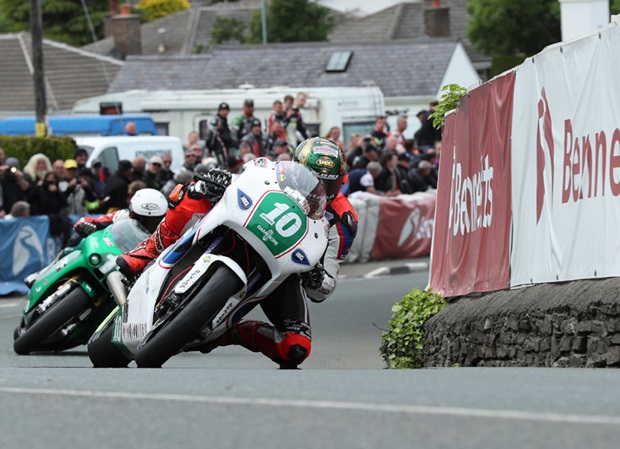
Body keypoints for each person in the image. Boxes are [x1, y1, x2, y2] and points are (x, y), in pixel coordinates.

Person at [117, 137, 358, 369]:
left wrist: (316, 278)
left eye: (326, 184)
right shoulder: (269, 168)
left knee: (296, 348)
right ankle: (146, 253)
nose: (316, 187)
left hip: (282, 271)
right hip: (239, 226)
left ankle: (223, 333)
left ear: (340, 182)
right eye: (310, 177)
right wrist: (216, 180)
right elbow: (241, 180)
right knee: (192, 194)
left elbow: (325, 286)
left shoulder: (344, 220)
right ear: (295, 167)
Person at [25, 188, 168, 288]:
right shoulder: (121, 215)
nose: (143, 225)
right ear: (131, 211)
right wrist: (84, 225)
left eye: (152, 222)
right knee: (77, 240)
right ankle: (45, 272)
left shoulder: (165, 234)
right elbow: (90, 221)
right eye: (139, 218)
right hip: (108, 254)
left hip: (130, 268)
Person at [205, 102, 235, 167]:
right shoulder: (216, 121)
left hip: (225, 151)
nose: (224, 112)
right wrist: (210, 149)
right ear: (219, 111)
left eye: (226, 110)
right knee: (220, 168)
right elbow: (210, 137)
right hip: (218, 151)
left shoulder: (225, 122)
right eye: (222, 110)